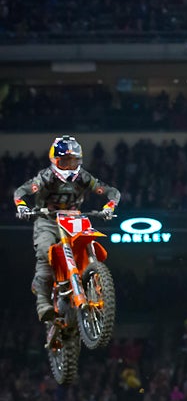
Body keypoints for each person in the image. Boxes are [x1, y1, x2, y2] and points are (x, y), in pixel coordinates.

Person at [13, 135, 121, 322]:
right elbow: (21, 191)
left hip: (74, 218)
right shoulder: (45, 177)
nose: (70, 166)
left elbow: (111, 191)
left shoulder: (84, 177)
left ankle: (94, 282)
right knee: (45, 254)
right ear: (55, 160)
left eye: (73, 161)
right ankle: (43, 302)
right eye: (65, 161)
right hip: (47, 220)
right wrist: (22, 206)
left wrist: (109, 206)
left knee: (88, 245)